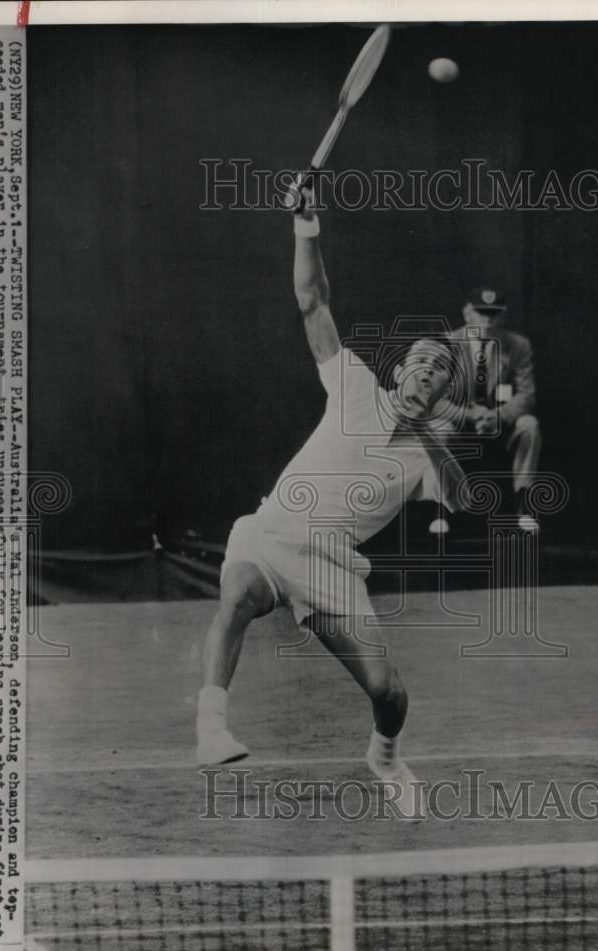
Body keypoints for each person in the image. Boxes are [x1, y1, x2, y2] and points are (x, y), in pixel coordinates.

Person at [194, 188, 466, 818]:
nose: (427, 373)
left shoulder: (431, 451)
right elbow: (312, 300)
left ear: (443, 390)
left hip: (331, 566)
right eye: (420, 363)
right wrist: (305, 226)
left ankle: (386, 756)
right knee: (235, 596)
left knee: (386, 691)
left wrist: (428, 431)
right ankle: (211, 727)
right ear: (399, 371)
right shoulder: (353, 383)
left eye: (440, 372)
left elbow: (461, 496)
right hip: (272, 532)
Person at [446, 288, 541, 533]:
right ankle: (441, 510)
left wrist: (497, 416)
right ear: (468, 314)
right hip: (462, 425)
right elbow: (437, 400)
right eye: (481, 313)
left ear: (503, 317)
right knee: (437, 429)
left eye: (494, 314)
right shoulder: (448, 343)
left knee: (529, 425)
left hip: (501, 425)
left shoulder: (518, 346)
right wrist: (471, 416)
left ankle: (524, 507)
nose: (487, 321)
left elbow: (526, 395)